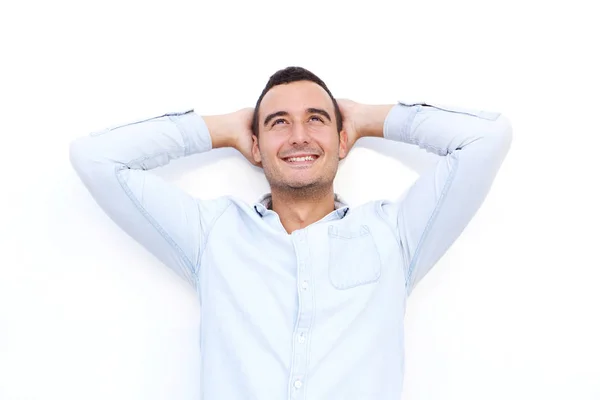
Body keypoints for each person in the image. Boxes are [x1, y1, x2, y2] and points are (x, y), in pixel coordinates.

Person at [69, 66, 512, 400]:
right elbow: (95, 158)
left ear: (342, 141)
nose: (299, 136)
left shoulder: (394, 235)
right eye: (279, 122)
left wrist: (369, 117)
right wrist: (221, 128)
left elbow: (487, 138)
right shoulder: (213, 235)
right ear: (256, 145)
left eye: (317, 119)